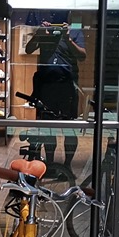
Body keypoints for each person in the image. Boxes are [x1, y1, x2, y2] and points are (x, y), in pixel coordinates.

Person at [25, 16, 86, 165]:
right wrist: (39, 34)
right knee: (47, 128)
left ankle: (67, 165)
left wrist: (68, 38)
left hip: (67, 88)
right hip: (46, 88)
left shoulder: (74, 31)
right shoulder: (45, 31)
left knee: (69, 128)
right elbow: (28, 49)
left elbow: (82, 56)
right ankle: (50, 163)